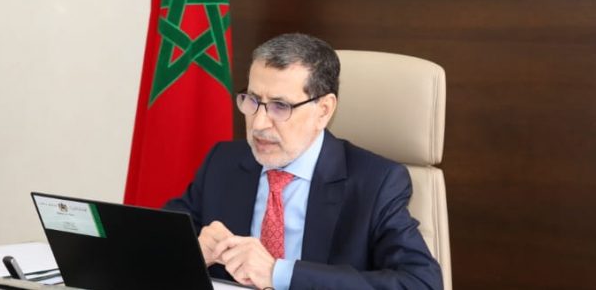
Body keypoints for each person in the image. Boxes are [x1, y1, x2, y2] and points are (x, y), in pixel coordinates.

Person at [165, 33, 443, 290]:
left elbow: (422, 283)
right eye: (252, 100)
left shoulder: (376, 183)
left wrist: (278, 273)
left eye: (280, 106)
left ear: (323, 110)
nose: (259, 124)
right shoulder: (223, 163)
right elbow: (152, 244)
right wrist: (190, 251)